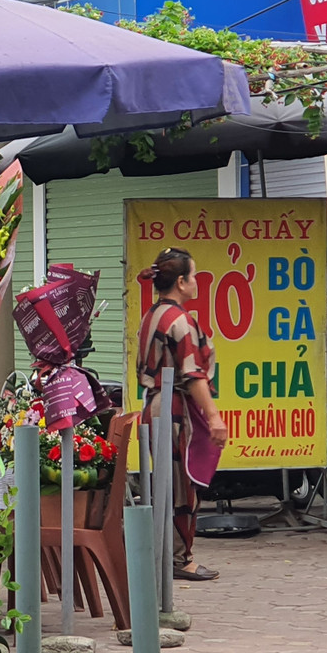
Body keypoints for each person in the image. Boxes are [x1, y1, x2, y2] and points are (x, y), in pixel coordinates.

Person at [136, 248, 228, 581]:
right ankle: (180, 559)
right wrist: (214, 418)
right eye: (193, 275)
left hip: (155, 404)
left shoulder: (153, 314)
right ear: (181, 281)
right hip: (172, 407)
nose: (196, 281)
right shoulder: (179, 321)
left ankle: (170, 555)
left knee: (167, 484)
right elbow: (193, 375)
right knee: (179, 487)